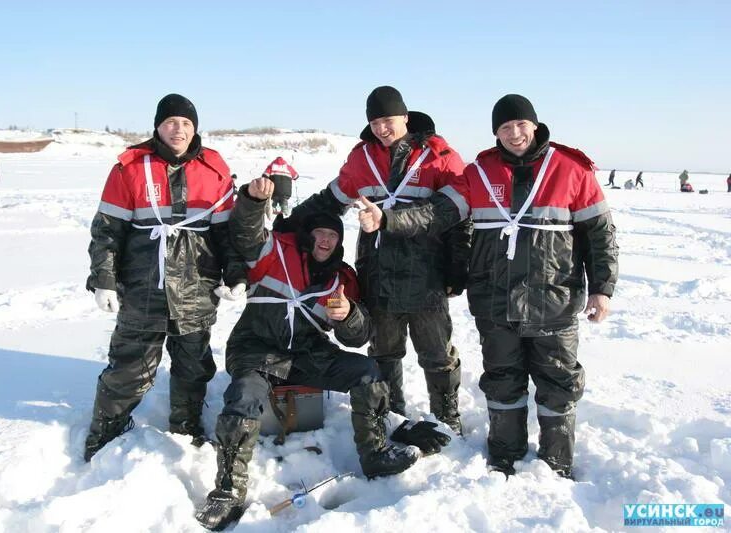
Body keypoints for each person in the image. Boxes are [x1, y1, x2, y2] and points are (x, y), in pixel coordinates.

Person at [358, 94, 619, 478]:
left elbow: (600, 234)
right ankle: (504, 455)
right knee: (501, 381)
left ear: (534, 124)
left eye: (521, 125)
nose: (514, 134)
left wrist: (602, 288)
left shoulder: (570, 169)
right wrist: (388, 221)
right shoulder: (478, 172)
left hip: (555, 300)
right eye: (505, 127)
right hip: (495, 301)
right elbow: (437, 213)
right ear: (495, 132)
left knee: (558, 384)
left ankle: (557, 462)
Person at [196, 178, 447, 531]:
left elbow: (360, 336)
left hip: (308, 355)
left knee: (367, 371)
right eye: (320, 234)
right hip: (257, 351)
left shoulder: (340, 278)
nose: (326, 240)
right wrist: (252, 201)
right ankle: (228, 490)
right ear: (308, 236)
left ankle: (374, 454)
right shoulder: (275, 252)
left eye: (334, 236)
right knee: (243, 396)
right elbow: (245, 233)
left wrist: (349, 315)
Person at [274, 86, 471, 434]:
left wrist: (457, 266)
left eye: (388, 120)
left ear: (405, 118)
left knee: (436, 353)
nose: (382, 129)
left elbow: (453, 213)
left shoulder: (438, 156)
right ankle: (392, 414)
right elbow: (329, 201)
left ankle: (447, 417)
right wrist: (289, 223)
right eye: (375, 122)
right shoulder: (362, 159)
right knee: (384, 351)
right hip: (378, 272)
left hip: (427, 275)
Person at [83, 93, 247, 462]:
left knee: (193, 364)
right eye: (171, 121)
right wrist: (104, 279)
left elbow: (227, 235)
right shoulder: (128, 168)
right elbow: (107, 231)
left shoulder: (215, 169)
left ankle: (186, 427)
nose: (179, 129)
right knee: (130, 364)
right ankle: (104, 433)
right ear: (158, 126)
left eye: (187, 123)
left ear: (195, 129)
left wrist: (237, 273)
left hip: (197, 286)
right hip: (142, 285)